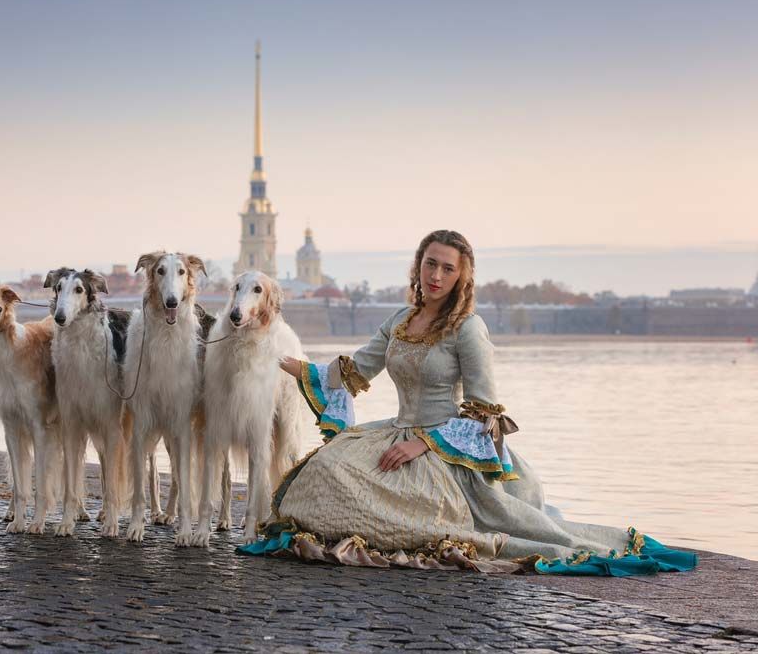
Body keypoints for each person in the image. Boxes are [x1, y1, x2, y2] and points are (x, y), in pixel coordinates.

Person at [240, 230, 696, 575]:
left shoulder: (468, 329)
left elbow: (485, 413)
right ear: (418, 266)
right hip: (395, 430)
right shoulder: (400, 321)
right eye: (430, 264)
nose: (436, 276)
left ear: (462, 276)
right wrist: (272, 354)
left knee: (390, 500)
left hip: (448, 449)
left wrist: (425, 444)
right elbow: (351, 372)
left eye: (448, 269)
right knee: (324, 467)